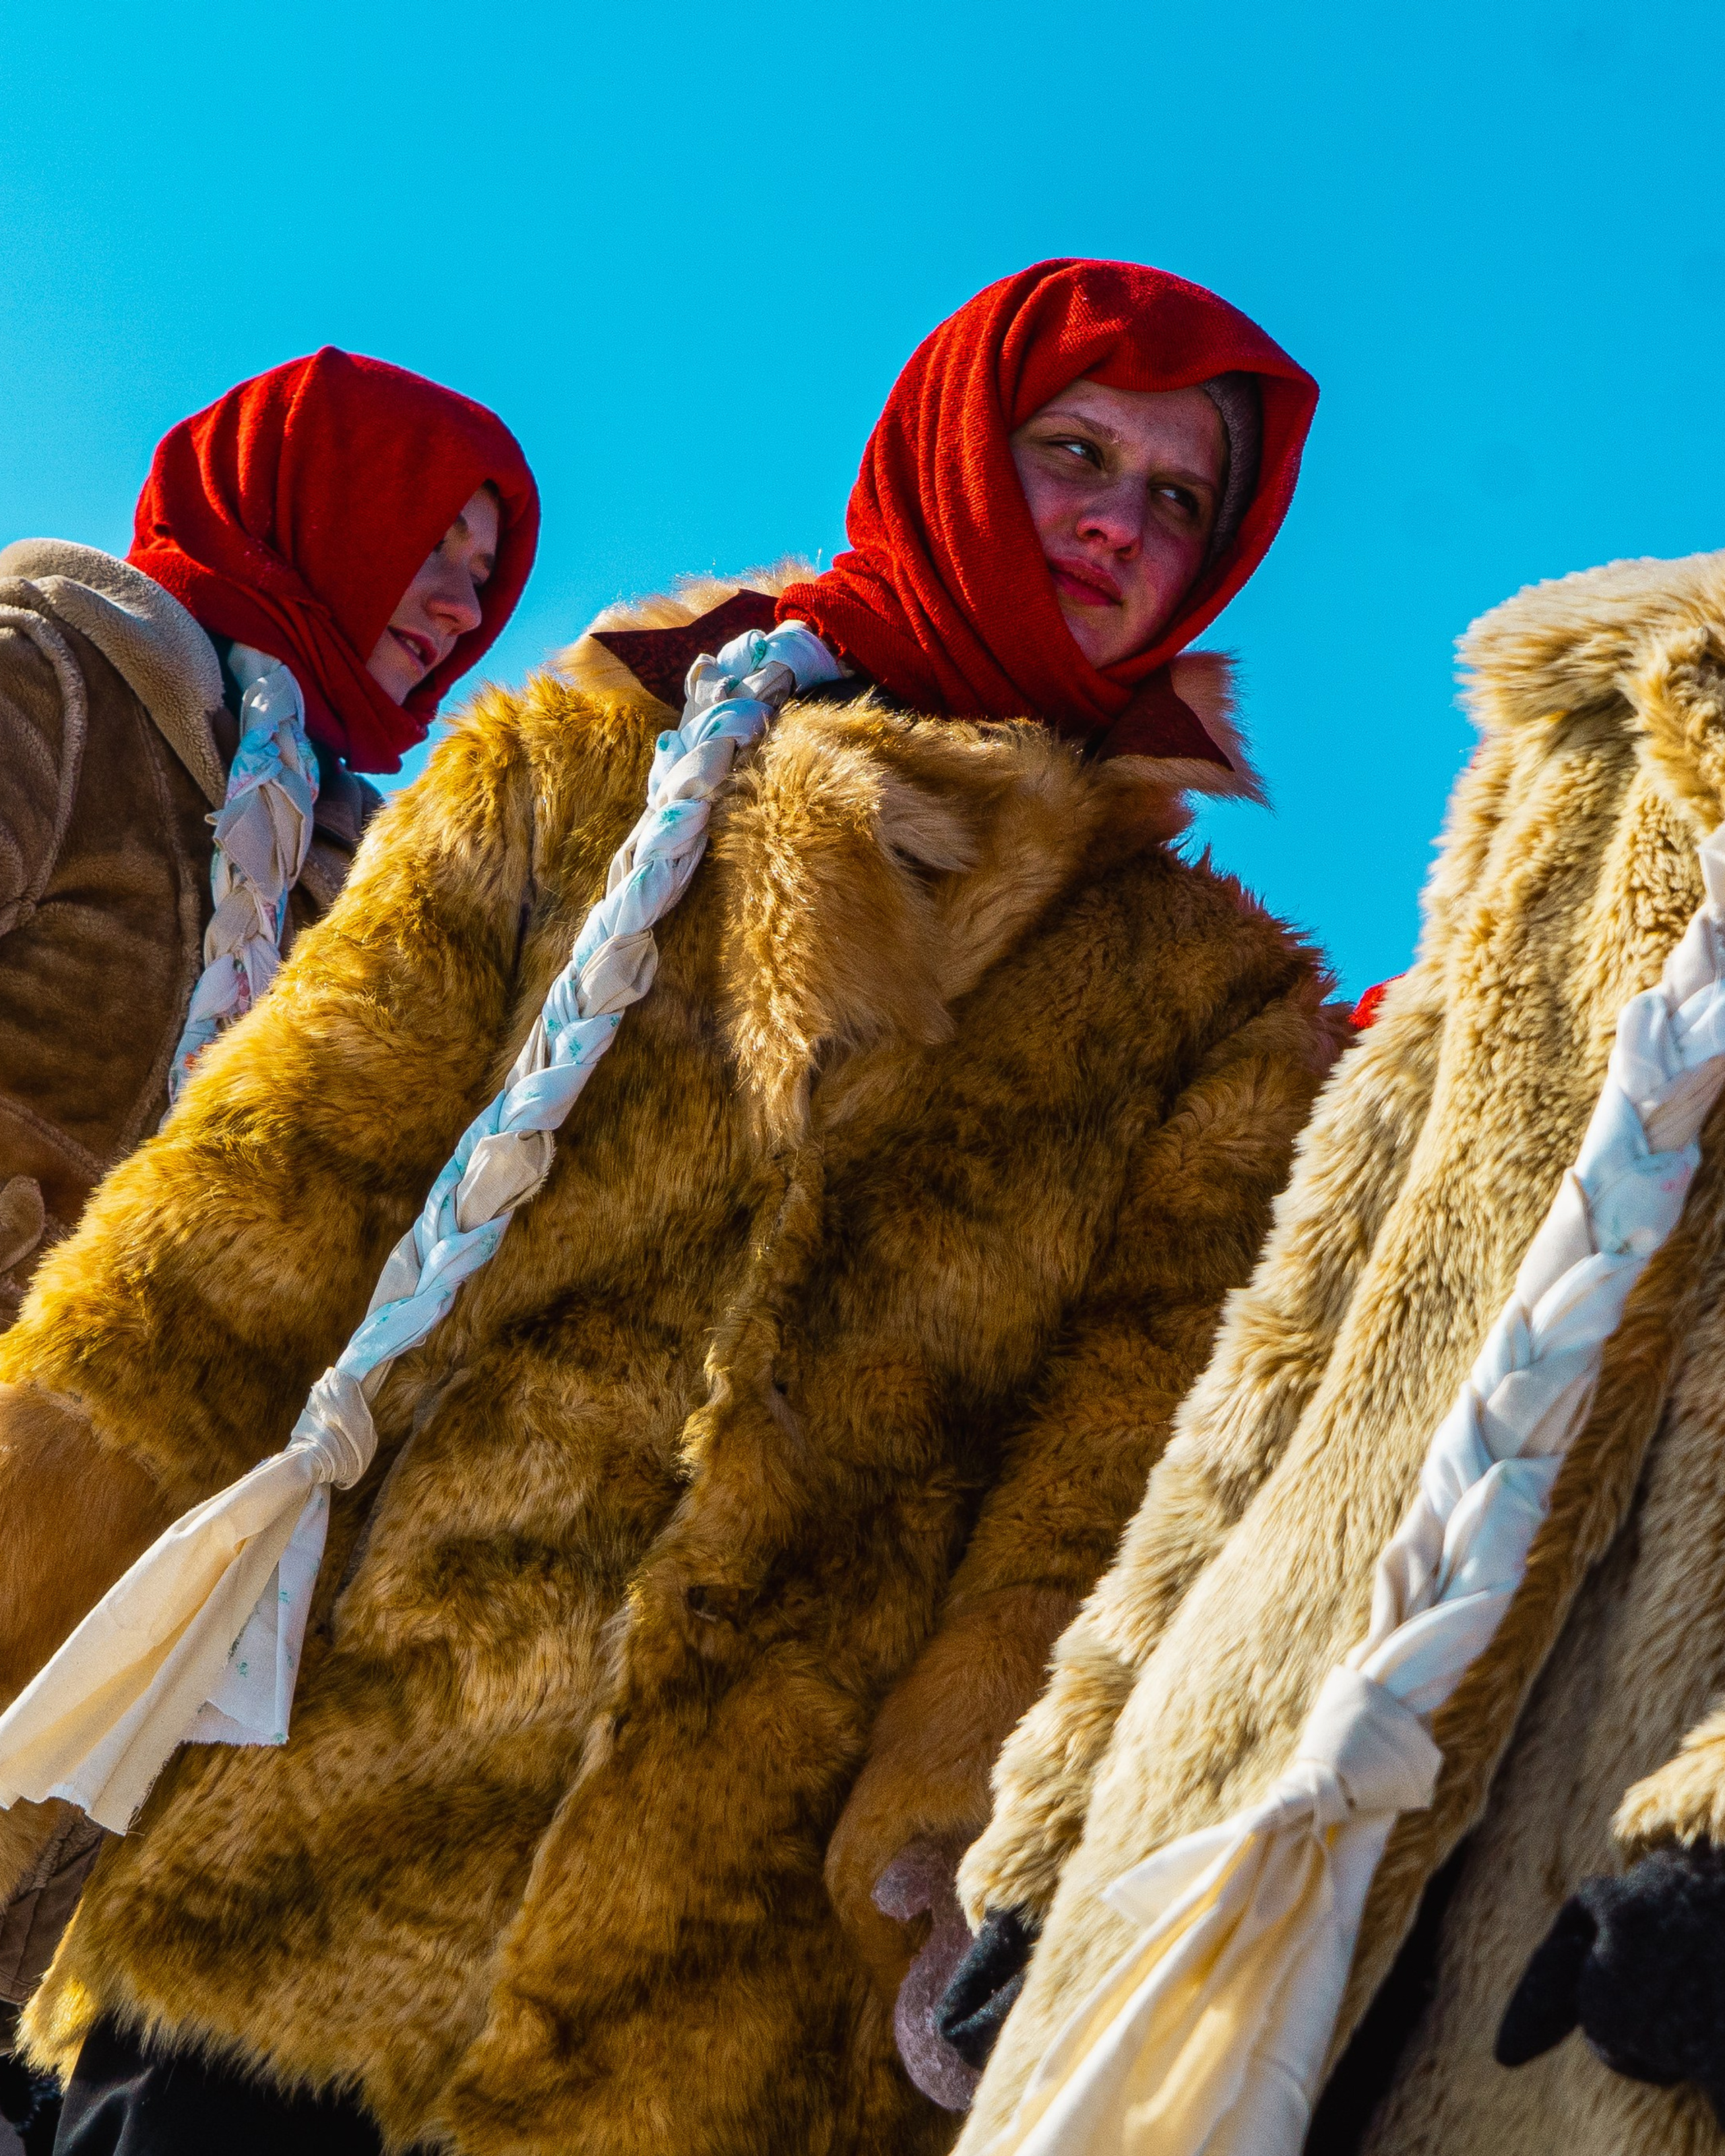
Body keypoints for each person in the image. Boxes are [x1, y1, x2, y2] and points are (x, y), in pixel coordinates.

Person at [0, 260, 1336, 2155]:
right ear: (959, 447)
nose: (1120, 521)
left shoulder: (1202, 1001)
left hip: (725, 1997)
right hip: (306, 1854)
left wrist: (971, 1812)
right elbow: (250, 1222)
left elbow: (1112, 1471)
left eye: (1179, 497)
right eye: (1074, 453)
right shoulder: (582, 775)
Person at [949, 544, 1725, 2156]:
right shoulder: (1584, 732)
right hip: (1259, 1767)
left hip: (1611, 1857)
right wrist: (1061, 1816)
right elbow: (1301, 1324)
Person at [0, 348, 538, 2145]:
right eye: (436, 541)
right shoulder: (56, 673)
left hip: (136, 1581)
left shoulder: (353, 877)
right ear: (317, 501)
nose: (464, 603)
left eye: (489, 568)